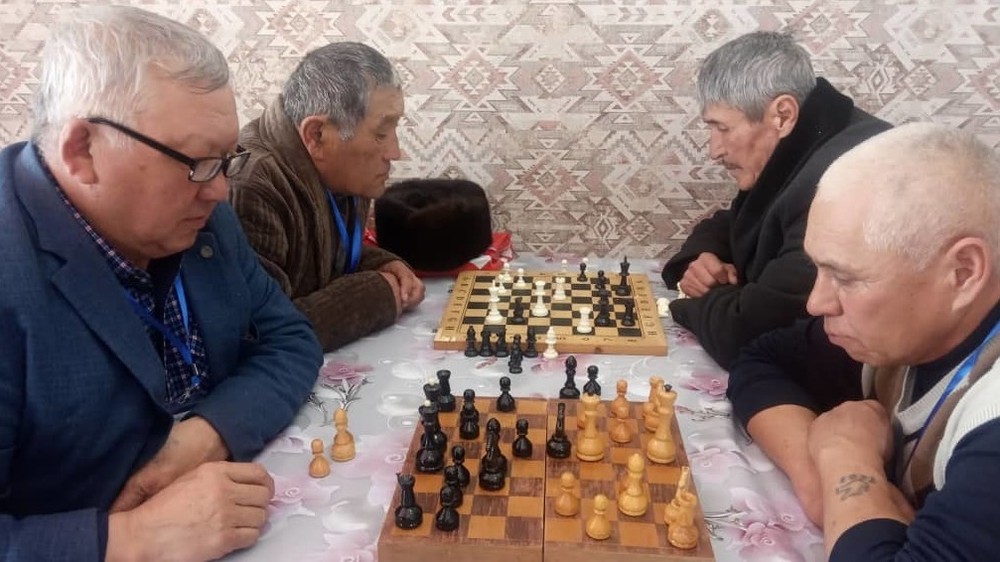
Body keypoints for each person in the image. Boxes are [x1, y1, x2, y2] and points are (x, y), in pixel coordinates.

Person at [0, 6, 323, 561]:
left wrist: (204, 435)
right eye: (197, 162)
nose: (220, 191)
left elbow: (291, 340)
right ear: (83, 151)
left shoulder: (201, 217)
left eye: (226, 160)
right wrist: (130, 540)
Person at [728, 123, 1000, 560]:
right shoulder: (909, 330)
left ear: (963, 272)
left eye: (845, 278)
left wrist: (846, 456)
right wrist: (825, 484)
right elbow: (763, 359)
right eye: (819, 270)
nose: (816, 303)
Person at [661, 31, 891, 369]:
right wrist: (698, 262)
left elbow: (747, 333)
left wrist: (697, 296)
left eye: (722, 128)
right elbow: (733, 222)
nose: (714, 151)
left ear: (782, 115)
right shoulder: (807, 145)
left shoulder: (842, 181)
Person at [230, 41, 425, 352]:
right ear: (317, 135)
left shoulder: (339, 169)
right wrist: (375, 295)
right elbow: (259, 333)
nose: (395, 152)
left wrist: (383, 262)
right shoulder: (253, 184)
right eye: (381, 133)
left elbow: (321, 256)